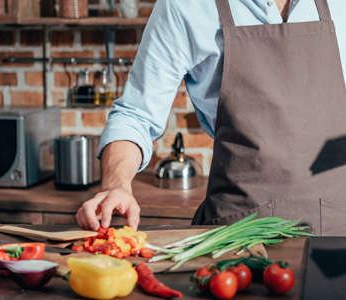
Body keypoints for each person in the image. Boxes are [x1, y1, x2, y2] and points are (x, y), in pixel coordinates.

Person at [76, 0, 346, 236]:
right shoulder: (184, 6)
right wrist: (117, 185)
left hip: (337, 228)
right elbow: (136, 114)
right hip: (237, 233)